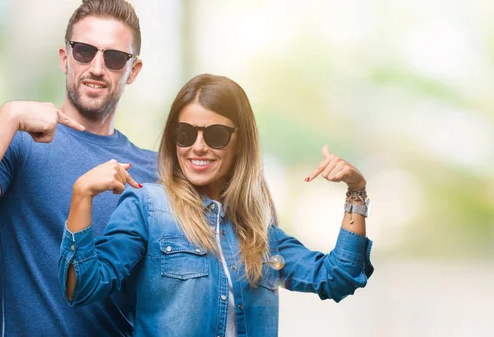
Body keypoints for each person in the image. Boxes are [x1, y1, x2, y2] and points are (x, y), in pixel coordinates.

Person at [59, 74, 374, 336]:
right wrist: (81, 195)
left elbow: (337, 278)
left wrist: (356, 192)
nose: (198, 147)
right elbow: (82, 288)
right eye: (185, 133)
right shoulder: (147, 208)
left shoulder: (258, 233)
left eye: (216, 135)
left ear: (240, 143)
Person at [0, 0, 156, 335]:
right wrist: (8, 115)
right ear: (65, 58)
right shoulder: (19, 141)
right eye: (84, 51)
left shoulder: (153, 172)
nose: (96, 67)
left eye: (115, 57)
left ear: (133, 71)